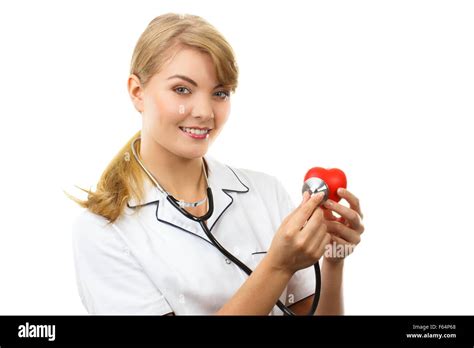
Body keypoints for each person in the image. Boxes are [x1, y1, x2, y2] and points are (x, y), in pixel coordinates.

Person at [70, 13, 365, 315]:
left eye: (219, 93)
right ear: (137, 92)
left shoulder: (266, 193)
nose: (204, 111)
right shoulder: (103, 232)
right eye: (182, 89)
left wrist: (332, 261)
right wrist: (277, 266)